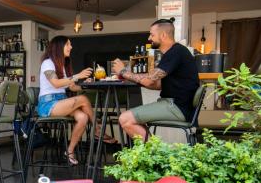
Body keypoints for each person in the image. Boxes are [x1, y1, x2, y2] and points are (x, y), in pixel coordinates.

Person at [112, 18, 200, 141]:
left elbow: (149, 80)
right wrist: (133, 77)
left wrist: (123, 72)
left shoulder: (175, 52)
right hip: (177, 105)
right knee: (134, 119)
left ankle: (156, 154)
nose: (149, 38)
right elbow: (157, 84)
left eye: (152, 34)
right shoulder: (175, 52)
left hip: (177, 106)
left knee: (125, 119)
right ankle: (156, 152)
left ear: (163, 35)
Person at [38, 36, 115, 166]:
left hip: (61, 102)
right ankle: (97, 130)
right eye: (68, 44)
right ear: (59, 47)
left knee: (83, 117)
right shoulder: (48, 63)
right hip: (48, 104)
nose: (71, 47)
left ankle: (69, 151)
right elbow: (56, 83)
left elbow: (72, 87)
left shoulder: (61, 65)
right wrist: (77, 76)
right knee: (83, 99)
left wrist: (85, 83)